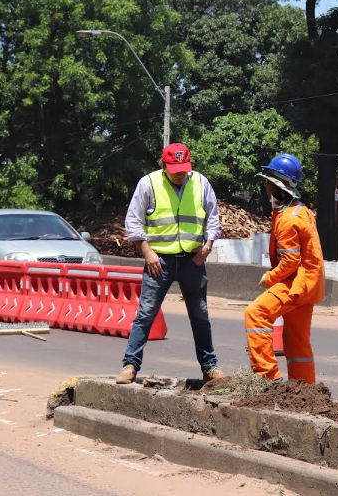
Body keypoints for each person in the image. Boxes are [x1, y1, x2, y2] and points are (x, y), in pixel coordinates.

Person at [117, 143, 226, 385]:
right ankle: (130, 365)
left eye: (184, 169)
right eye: (174, 169)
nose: (180, 174)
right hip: (159, 261)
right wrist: (147, 252)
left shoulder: (200, 183)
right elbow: (133, 222)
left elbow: (213, 219)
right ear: (162, 165)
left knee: (200, 315)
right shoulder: (148, 184)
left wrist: (207, 247)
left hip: (192, 260)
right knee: (146, 314)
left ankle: (210, 367)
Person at [244, 154, 324, 383]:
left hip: (297, 284)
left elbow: (290, 262)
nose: (266, 187)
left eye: (268, 181)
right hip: (309, 284)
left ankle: (268, 379)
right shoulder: (303, 211)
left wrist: (269, 277)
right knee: (296, 339)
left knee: (256, 314)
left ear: (277, 185)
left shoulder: (288, 219)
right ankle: (305, 389)